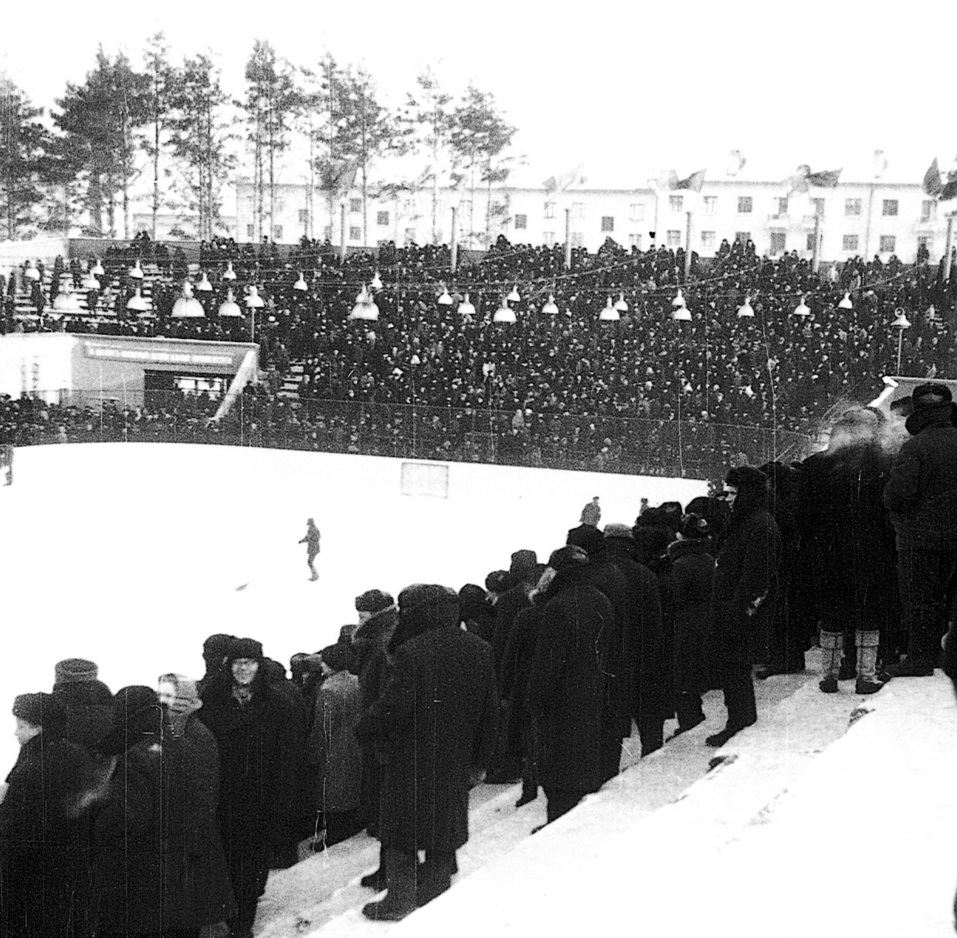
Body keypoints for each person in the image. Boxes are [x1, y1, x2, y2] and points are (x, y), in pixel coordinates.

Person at [359, 584, 498, 921]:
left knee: (401, 832)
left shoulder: (412, 651)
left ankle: (399, 901)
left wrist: (365, 727)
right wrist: (481, 758)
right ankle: (436, 894)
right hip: (456, 756)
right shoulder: (479, 647)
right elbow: (490, 709)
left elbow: (395, 706)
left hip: (412, 756)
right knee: (443, 826)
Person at [199, 639, 299, 938]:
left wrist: (283, 798)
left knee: (252, 864)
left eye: (250, 662)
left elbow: (288, 756)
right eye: (238, 663)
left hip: (261, 798)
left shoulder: (278, 703)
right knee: (225, 862)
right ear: (228, 666)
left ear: (259, 665)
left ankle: (242, 925)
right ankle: (226, 918)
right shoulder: (211, 700)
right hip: (223, 797)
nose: (243, 669)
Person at [799, 409, 897, 694]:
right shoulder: (884, 465)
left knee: (831, 613)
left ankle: (828, 676)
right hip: (870, 551)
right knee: (868, 613)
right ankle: (865, 676)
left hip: (827, 552)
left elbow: (803, 515)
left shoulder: (814, 465)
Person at [526, 546, 614, 824]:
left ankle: (556, 823)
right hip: (592, 693)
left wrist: (534, 700)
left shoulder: (558, 605)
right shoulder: (600, 598)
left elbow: (547, 663)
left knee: (558, 773)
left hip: (561, 702)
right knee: (580, 766)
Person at [0, 692, 96, 938]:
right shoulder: (77, 755)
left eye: (21, 726)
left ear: (39, 728)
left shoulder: (32, 768)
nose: (15, 733)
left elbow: (16, 829)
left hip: (32, 876)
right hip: (71, 871)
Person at [884, 383, 957, 676]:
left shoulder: (915, 446)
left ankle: (920, 658)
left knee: (921, 600)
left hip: (920, 539)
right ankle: (945, 654)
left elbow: (899, 494)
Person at [706, 466, 782, 747]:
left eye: (732, 493)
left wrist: (739, 613)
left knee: (735, 668)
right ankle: (739, 719)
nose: (727, 499)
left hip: (740, 613)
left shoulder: (760, 525)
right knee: (732, 668)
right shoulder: (746, 521)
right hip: (732, 609)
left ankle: (739, 721)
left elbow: (757, 579)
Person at [305, 643, 364, 848]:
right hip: (356, 745)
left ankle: (334, 836)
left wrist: (312, 754)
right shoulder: (357, 682)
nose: (321, 665)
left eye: (323, 662)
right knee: (352, 790)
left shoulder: (328, 690)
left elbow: (323, 728)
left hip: (335, 751)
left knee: (334, 795)